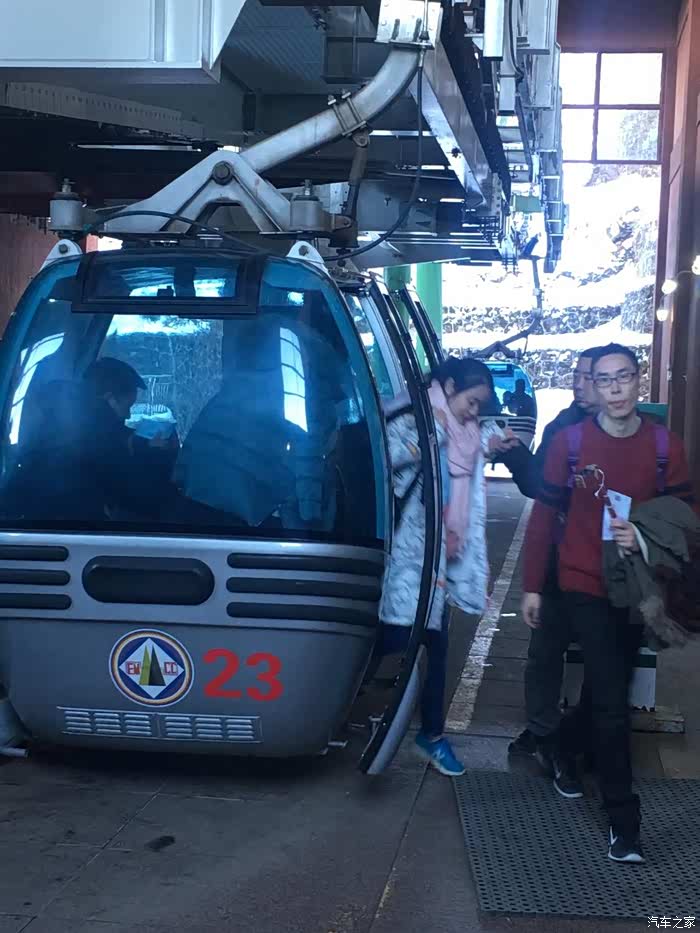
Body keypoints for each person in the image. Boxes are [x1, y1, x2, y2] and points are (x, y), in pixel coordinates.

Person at [520, 343, 693, 863]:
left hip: (635, 585)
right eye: (604, 379)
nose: (615, 388)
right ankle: (625, 822)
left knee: (605, 686)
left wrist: (640, 535)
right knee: (614, 705)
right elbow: (544, 517)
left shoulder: (665, 447)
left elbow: (685, 517)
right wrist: (532, 585)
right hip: (581, 582)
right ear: (590, 386)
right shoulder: (570, 443)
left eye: (624, 377)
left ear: (639, 380)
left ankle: (561, 748)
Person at [379, 357, 519, 776]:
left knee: (429, 644)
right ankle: (424, 733)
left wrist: (492, 441)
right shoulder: (414, 413)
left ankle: (430, 734)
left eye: (480, 407)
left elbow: (467, 447)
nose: (474, 413)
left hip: (440, 556)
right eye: (471, 403)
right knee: (399, 640)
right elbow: (386, 455)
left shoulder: (463, 426)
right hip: (410, 554)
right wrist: (433, 432)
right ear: (451, 386)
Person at [502, 348, 602, 756]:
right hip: (558, 564)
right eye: (576, 375)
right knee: (544, 652)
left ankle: (590, 732)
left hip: (608, 567)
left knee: (604, 656)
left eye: (588, 377)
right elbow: (539, 486)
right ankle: (542, 731)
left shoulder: (634, 435)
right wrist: (515, 455)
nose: (578, 384)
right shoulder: (562, 425)